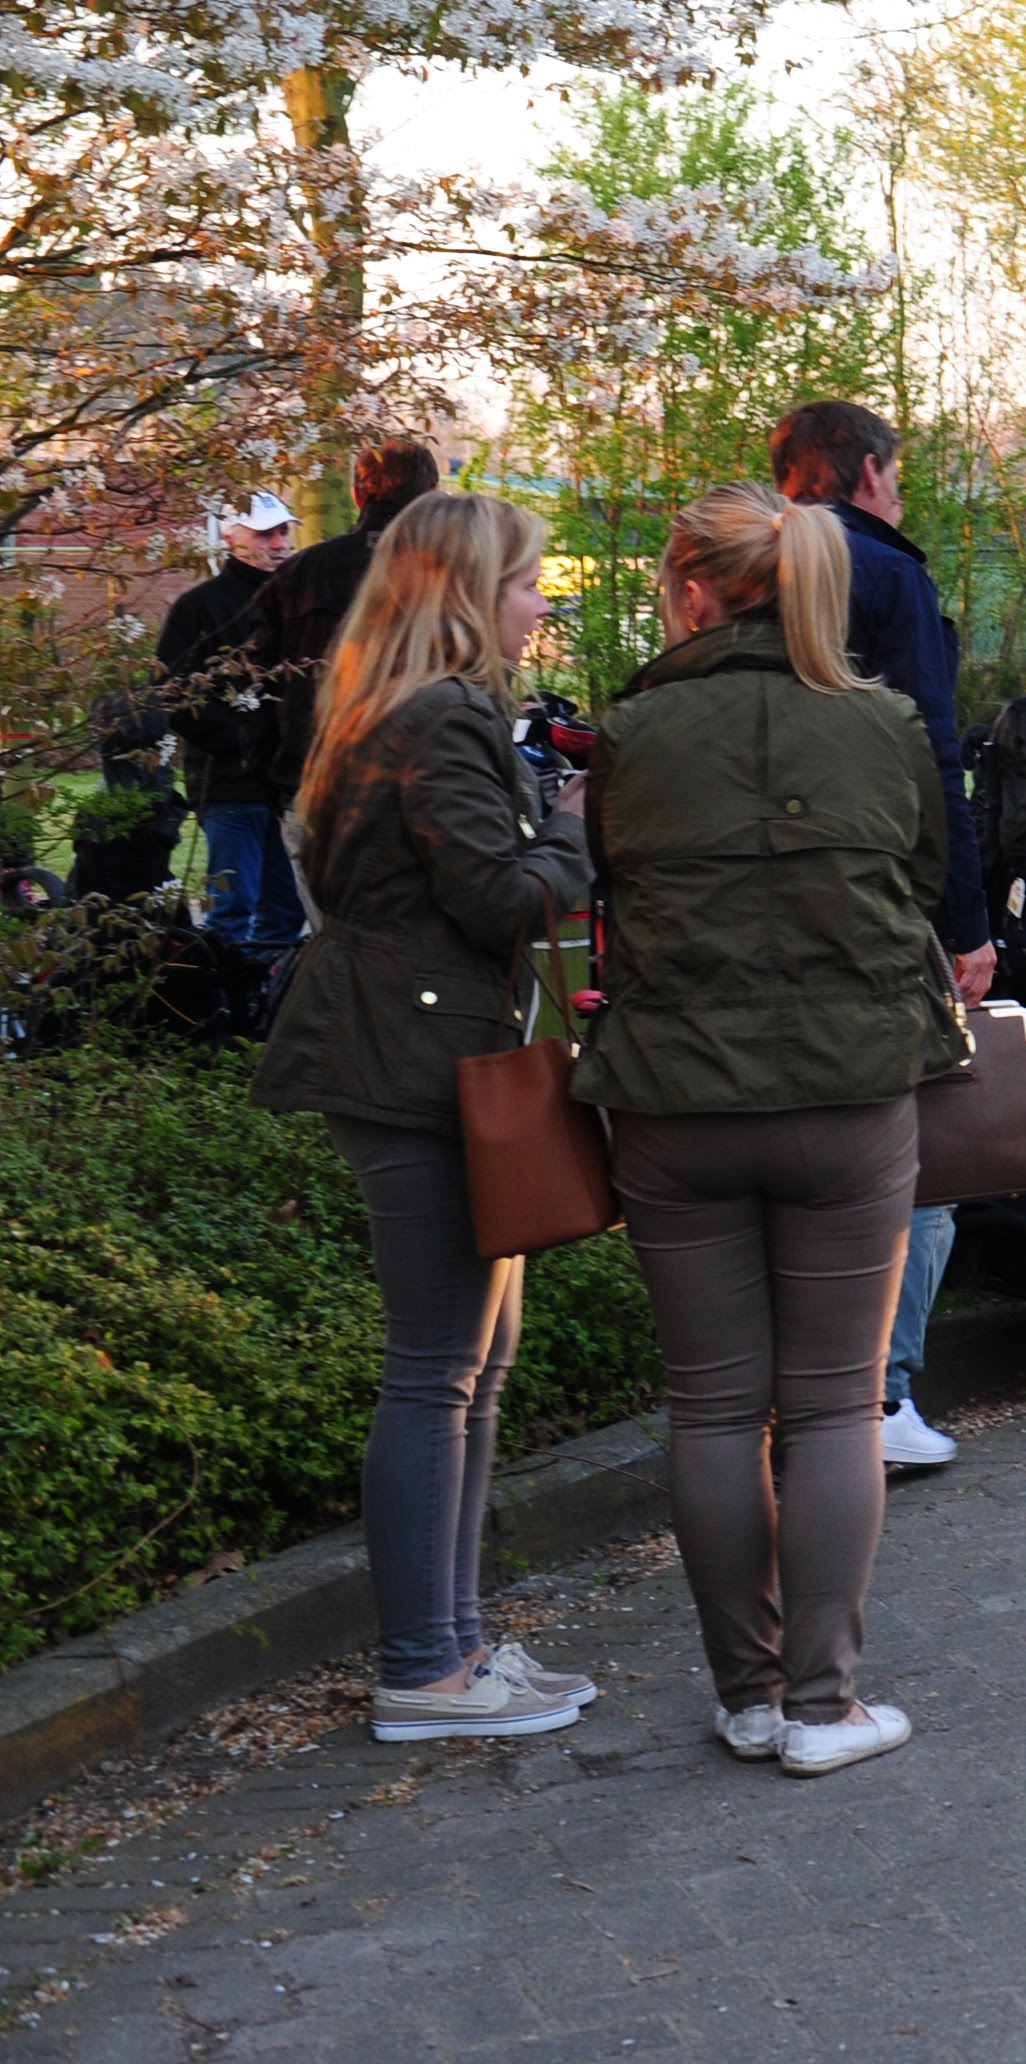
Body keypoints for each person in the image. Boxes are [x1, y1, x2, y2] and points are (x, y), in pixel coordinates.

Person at [578, 483, 966, 1780]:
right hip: (849, 1097)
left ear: (693, 592)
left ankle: (747, 1698)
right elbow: (920, 884)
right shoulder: (882, 722)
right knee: (835, 1410)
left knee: (711, 1410)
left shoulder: (630, 731)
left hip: (673, 1099)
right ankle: (822, 1705)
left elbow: (610, 888)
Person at [245, 492, 600, 1745]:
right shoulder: (438, 711)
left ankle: (455, 1650)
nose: (539, 603)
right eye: (525, 582)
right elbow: (498, 897)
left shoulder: (387, 703)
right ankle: (421, 1672)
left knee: (470, 1371)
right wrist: (573, 832)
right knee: (437, 1373)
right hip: (414, 1060)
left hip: (420, 1049)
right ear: (465, 592)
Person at [769, 400, 989, 1475]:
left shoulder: (746, 564)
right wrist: (969, 921)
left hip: (759, 904)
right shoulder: (889, 577)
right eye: (895, 476)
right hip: (877, 894)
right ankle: (882, 1394)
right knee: (914, 1159)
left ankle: (805, 1393)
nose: (899, 494)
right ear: (864, 474)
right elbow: (932, 755)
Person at [239, 439, 443, 800]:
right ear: (433, 493)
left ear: (357, 495)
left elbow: (256, 679)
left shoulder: (299, 573)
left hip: (315, 781)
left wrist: (274, 773)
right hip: (424, 778)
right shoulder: (452, 573)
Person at [159, 492, 300, 952]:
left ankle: (267, 990)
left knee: (288, 908)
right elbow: (173, 697)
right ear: (230, 538)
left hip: (288, 787)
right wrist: (241, 740)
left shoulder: (297, 602)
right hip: (228, 787)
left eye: (283, 531)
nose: (279, 543)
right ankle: (225, 991)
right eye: (265, 533)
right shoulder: (199, 607)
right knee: (233, 907)